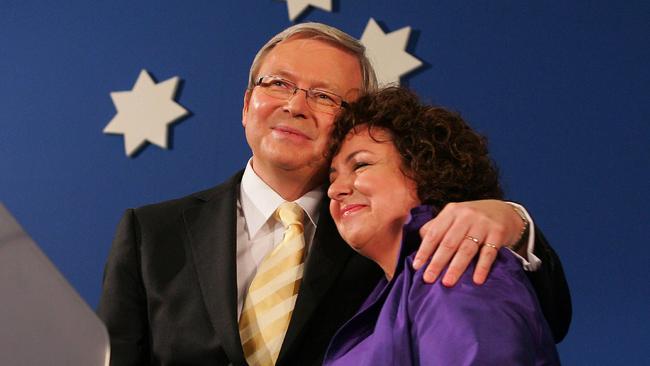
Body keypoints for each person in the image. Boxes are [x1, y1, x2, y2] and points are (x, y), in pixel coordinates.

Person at [98, 23, 570, 366]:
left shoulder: (381, 225)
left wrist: (514, 222)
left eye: (325, 96)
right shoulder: (149, 233)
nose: (294, 105)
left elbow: (535, 322)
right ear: (247, 104)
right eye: (278, 83)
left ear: (351, 122)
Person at [324, 86, 560, 365]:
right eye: (332, 177)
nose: (335, 190)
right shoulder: (395, 291)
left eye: (361, 165)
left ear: (424, 168)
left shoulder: (458, 268)